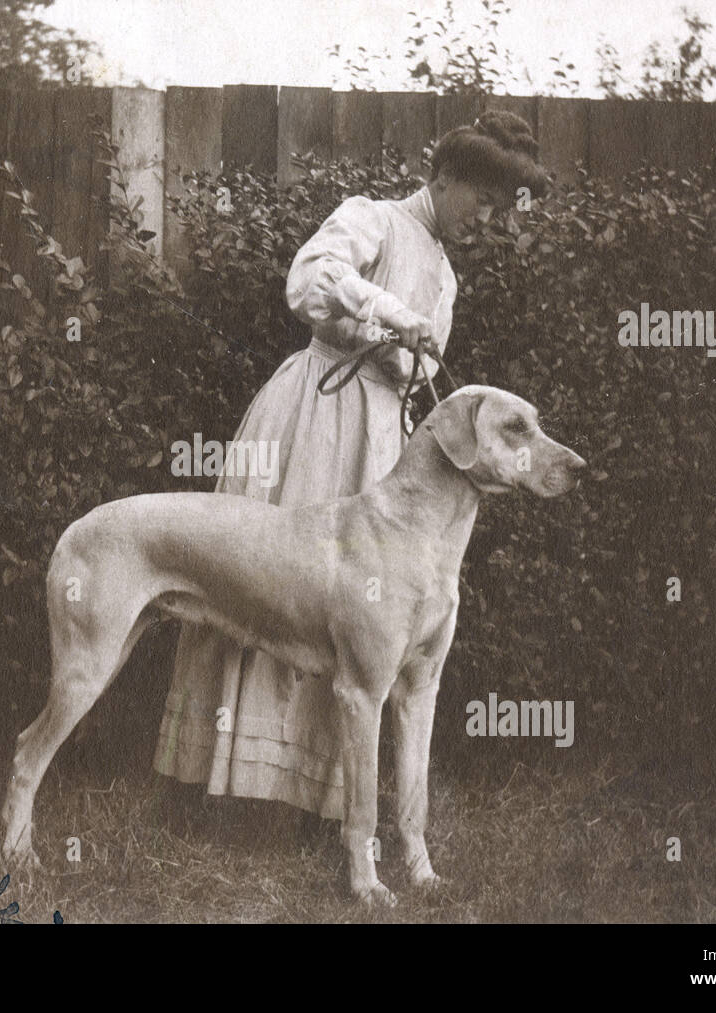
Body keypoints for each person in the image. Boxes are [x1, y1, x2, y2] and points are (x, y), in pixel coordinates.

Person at [155, 110, 551, 821]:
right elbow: (309, 280)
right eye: (482, 200)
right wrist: (389, 310)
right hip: (316, 417)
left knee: (362, 612)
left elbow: (419, 375)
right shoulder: (373, 219)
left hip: (387, 444)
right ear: (446, 177)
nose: (488, 219)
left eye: (499, 209)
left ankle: (320, 797)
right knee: (269, 585)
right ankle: (234, 789)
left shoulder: (449, 277)